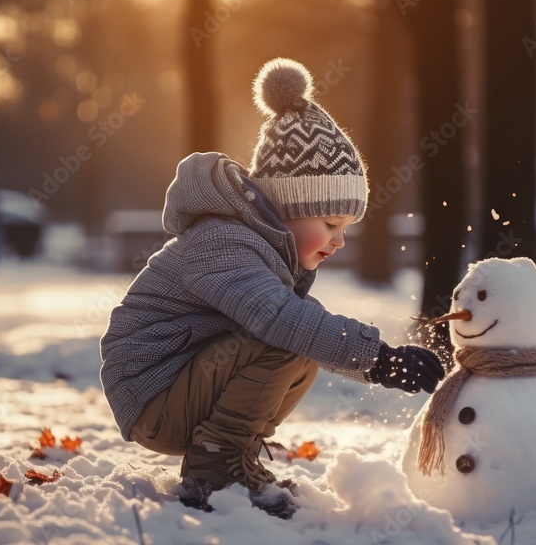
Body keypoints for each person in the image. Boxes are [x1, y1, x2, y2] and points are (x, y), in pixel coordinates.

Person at [99, 58, 445, 518]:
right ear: (288, 206)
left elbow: (295, 323)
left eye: (347, 227)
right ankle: (214, 470)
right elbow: (281, 319)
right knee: (288, 340)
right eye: (330, 223)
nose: (340, 240)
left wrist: (372, 363)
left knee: (303, 350)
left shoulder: (260, 248)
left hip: (178, 389)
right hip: (154, 394)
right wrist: (379, 359)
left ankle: (231, 454)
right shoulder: (225, 241)